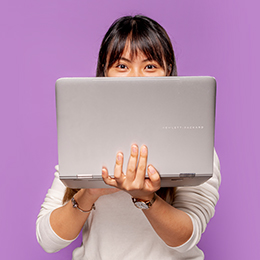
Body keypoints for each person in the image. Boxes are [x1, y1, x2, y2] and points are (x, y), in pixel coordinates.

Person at [36, 15, 221, 259]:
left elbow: (186, 240)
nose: (136, 77)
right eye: (122, 66)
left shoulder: (194, 149)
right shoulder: (82, 145)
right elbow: (48, 240)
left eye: (150, 66)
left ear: (168, 73)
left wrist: (145, 198)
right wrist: (91, 191)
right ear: (105, 73)